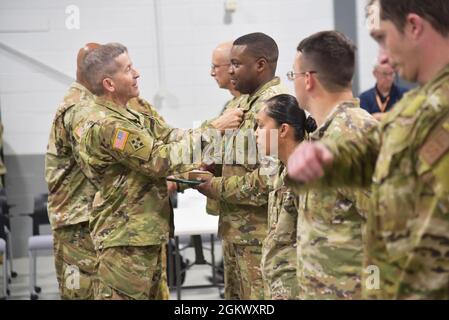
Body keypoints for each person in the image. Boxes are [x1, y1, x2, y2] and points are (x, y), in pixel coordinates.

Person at [287, 0, 449, 300]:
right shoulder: (416, 107)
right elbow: (382, 160)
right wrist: (330, 162)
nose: (382, 57)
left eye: (382, 38)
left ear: (413, 27)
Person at [74, 42, 242, 300]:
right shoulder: (108, 125)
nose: (137, 73)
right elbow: (159, 159)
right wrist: (215, 130)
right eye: (128, 69)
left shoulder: (130, 115)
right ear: (109, 83)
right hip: (124, 240)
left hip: (145, 234)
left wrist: (213, 131)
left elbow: (171, 135)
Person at [197, 94, 316, 299]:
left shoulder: (305, 176)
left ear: (283, 130)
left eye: (261, 126)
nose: (255, 133)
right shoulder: (281, 170)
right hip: (280, 283)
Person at [198, 32, 289, 300]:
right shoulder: (241, 103)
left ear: (260, 65)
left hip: (260, 236)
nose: (230, 70)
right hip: (237, 232)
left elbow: (270, 180)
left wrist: (216, 186)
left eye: (236, 64)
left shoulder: (275, 106)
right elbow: (231, 157)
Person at [287, 31, 377, 299]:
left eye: (294, 76)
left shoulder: (354, 136)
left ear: (309, 80)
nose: (294, 84)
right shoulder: (322, 137)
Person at [45, 43, 101, 299]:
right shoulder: (80, 108)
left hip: (82, 218)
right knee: (80, 292)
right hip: (76, 222)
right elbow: (98, 163)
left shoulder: (86, 102)